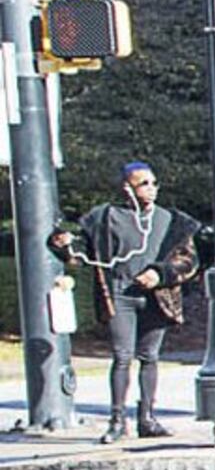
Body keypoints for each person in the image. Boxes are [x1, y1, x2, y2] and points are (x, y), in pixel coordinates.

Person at [58, 162, 199, 440]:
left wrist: (160, 274)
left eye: (154, 183)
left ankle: (147, 418)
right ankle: (117, 420)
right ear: (127, 188)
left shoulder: (172, 221)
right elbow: (82, 252)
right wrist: (63, 245)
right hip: (120, 294)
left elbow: (189, 259)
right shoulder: (105, 218)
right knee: (122, 356)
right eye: (144, 183)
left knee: (150, 357)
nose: (151, 189)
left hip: (156, 297)